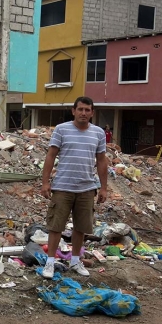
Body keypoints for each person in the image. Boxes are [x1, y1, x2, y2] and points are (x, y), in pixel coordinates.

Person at [40, 96, 108, 278]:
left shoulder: (98, 133)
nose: (83, 113)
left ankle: (76, 261)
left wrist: (103, 188)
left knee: (81, 227)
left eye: (87, 110)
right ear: (73, 111)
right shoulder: (62, 130)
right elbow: (50, 156)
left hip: (86, 188)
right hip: (63, 186)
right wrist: (45, 182)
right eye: (80, 109)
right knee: (56, 226)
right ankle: (50, 263)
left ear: (92, 113)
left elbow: (101, 161)